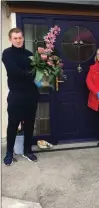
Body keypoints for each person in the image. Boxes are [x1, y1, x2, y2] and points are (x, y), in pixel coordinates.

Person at [2, 28, 41, 166]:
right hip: (16, 95)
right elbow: (13, 71)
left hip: (31, 94)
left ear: (23, 38)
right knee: (13, 124)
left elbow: (36, 71)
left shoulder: (30, 54)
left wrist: (36, 74)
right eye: (15, 38)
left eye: (20, 37)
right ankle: (9, 153)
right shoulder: (7, 53)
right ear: (10, 40)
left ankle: (27, 150)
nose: (18, 40)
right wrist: (29, 74)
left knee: (30, 123)